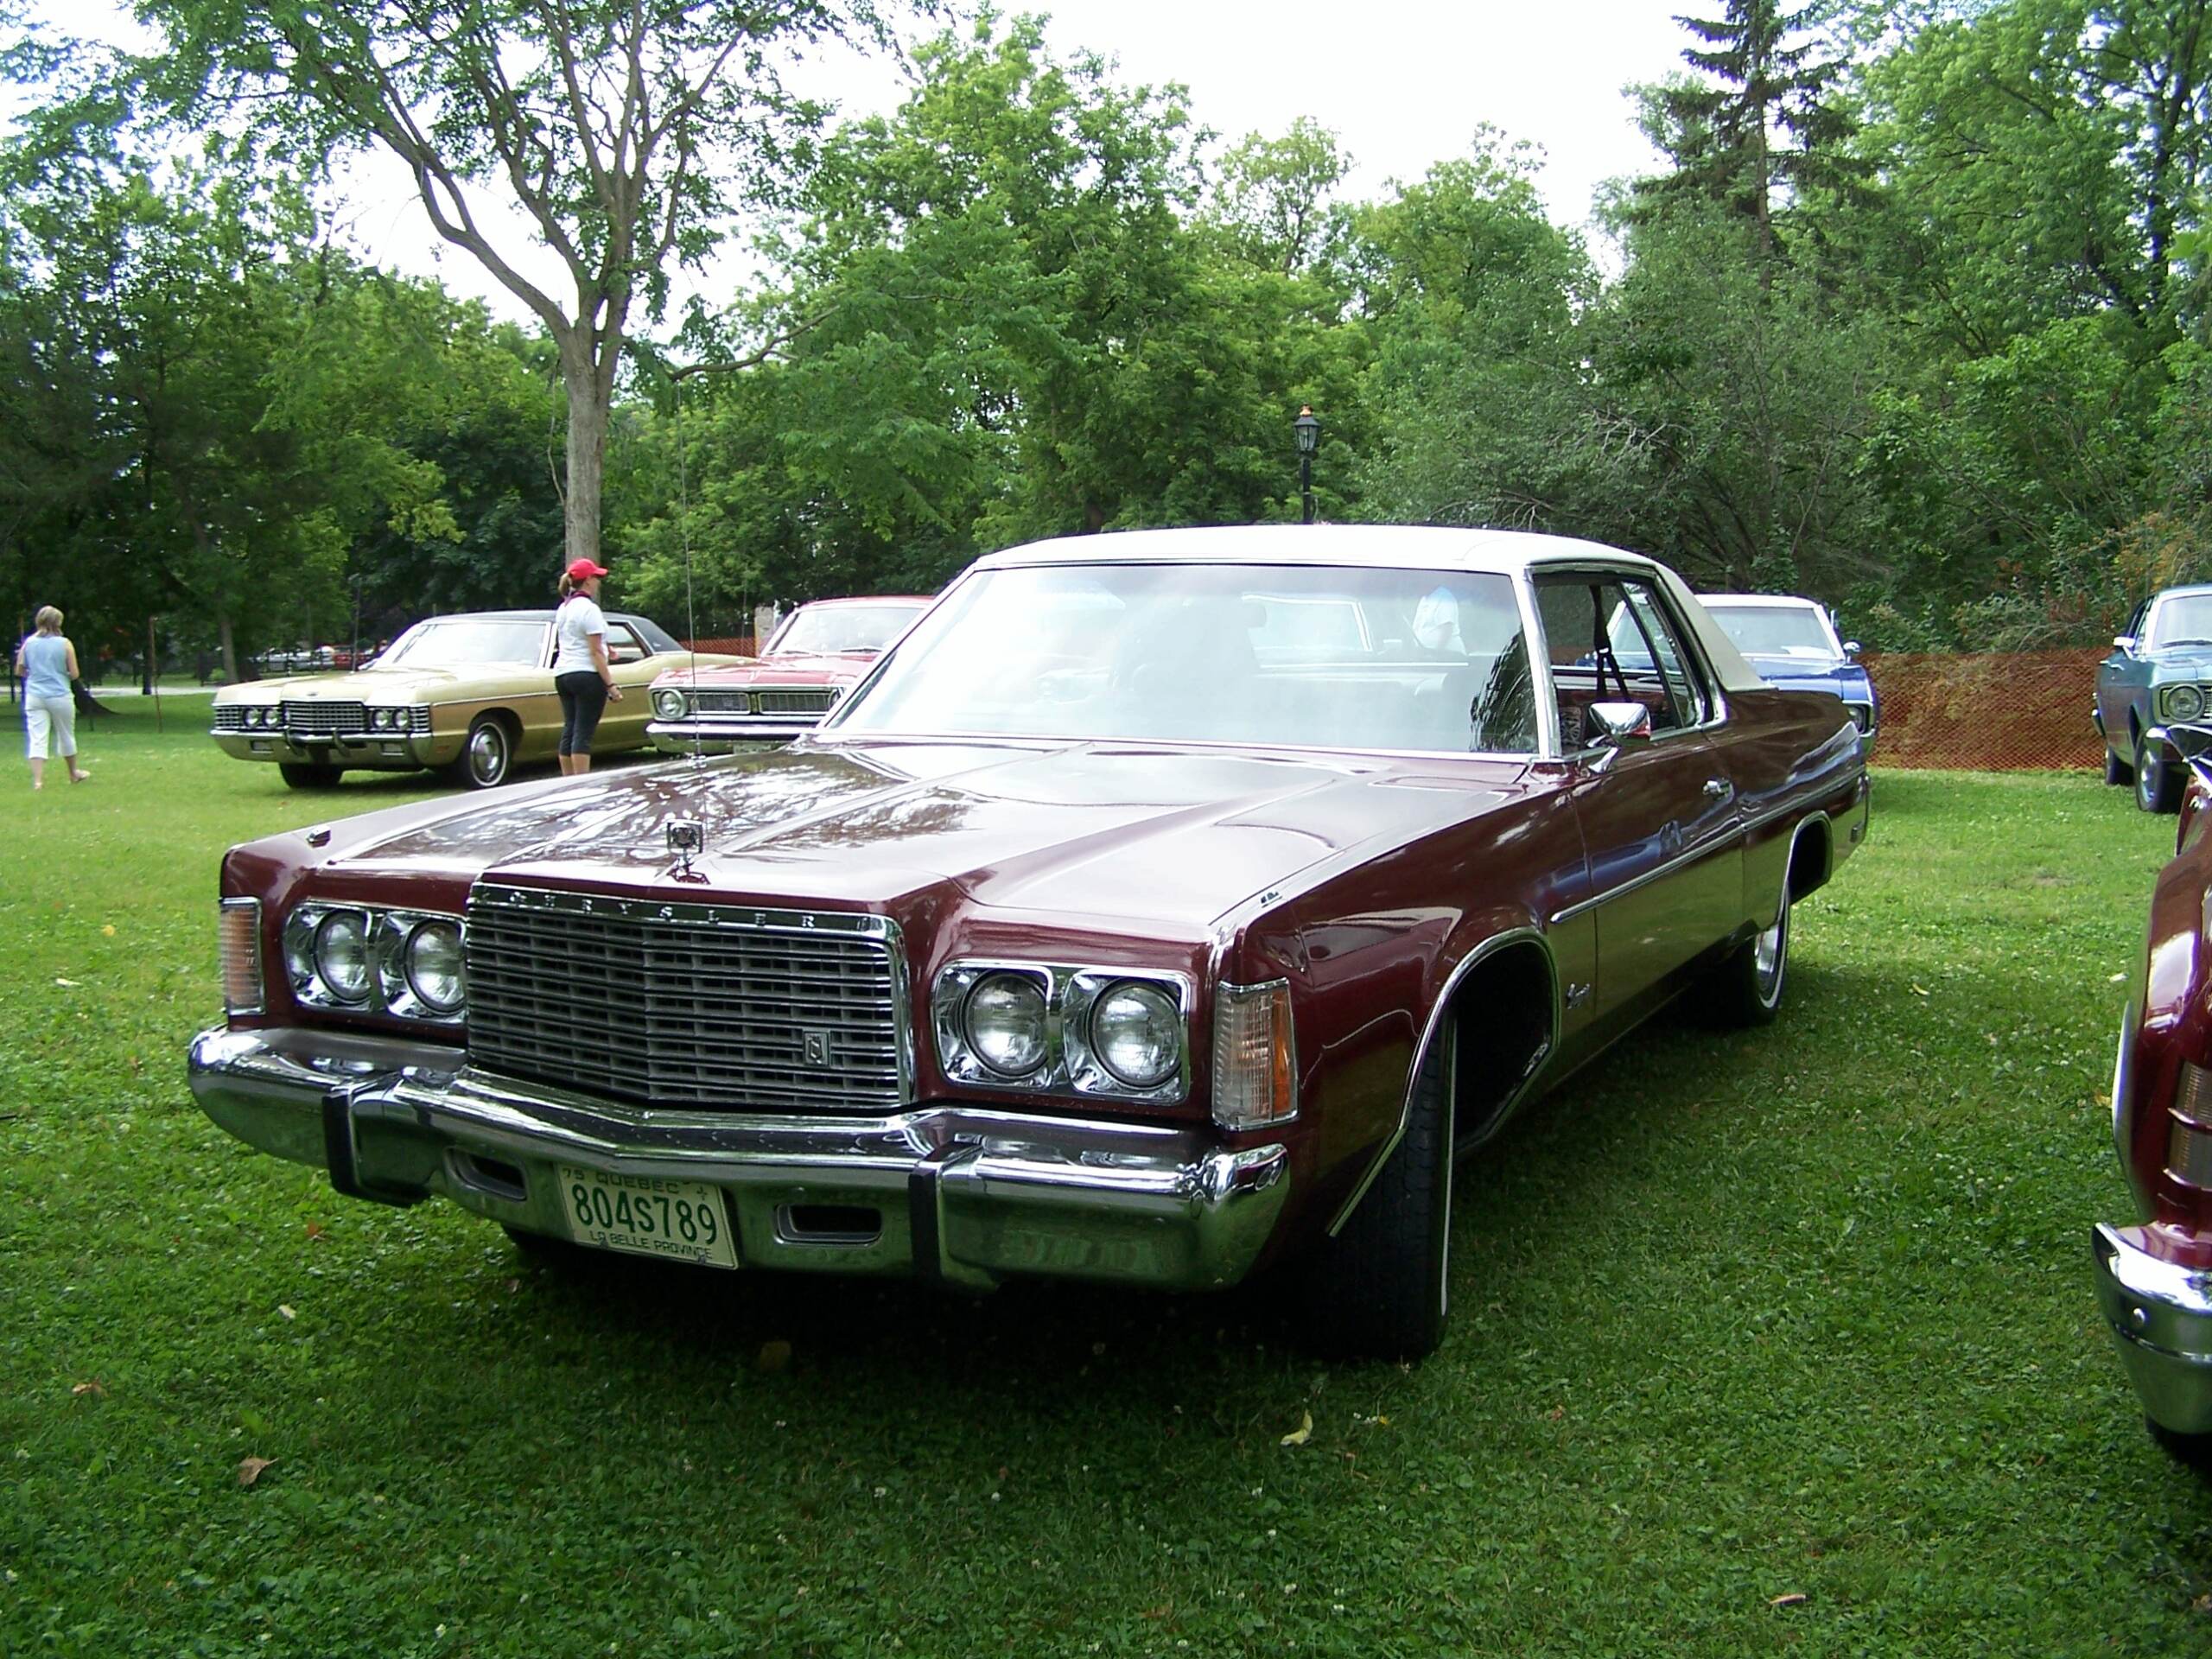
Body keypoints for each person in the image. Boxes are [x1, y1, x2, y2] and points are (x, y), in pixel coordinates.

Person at [553, 557, 622, 775]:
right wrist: (610, 685)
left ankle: (566, 782)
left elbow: (578, 638)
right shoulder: (589, 609)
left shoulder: (564, 608)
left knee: (570, 728)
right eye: (596, 577)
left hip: (563, 673)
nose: (599, 582)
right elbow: (594, 652)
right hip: (586, 675)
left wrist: (607, 646)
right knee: (583, 732)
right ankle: (581, 784)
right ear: (588, 581)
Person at [15, 607, 90, 790]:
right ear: (58, 623)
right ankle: (73, 773)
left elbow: (19, 670)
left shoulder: (29, 643)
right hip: (59, 694)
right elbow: (74, 673)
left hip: (35, 695)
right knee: (66, 735)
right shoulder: (64, 643)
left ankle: (38, 781)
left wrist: (35, 674)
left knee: (37, 737)